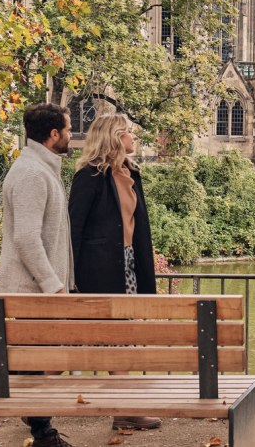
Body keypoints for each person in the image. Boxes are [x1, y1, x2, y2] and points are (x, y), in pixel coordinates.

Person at [0, 102, 75, 447]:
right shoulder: (32, 174)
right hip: (31, 290)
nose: (70, 135)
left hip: (34, 289)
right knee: (38, 361)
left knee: (38, 362)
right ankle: (43, 431)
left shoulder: (40, 168)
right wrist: (53, 285)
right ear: (53, 135)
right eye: (67, 130)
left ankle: (37, 420)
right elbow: (26, 237)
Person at [68, 114, 161, 431]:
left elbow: (138, 229)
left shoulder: (131, 172)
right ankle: (125, 409)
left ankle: (126, 410)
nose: (134, 138)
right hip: (99, 271)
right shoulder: (89, 177)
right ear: (115, 137)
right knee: (101, 342)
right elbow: (74, 231)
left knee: (127, 340)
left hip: (129, 266)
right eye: (129, 133)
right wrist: (72, 282)